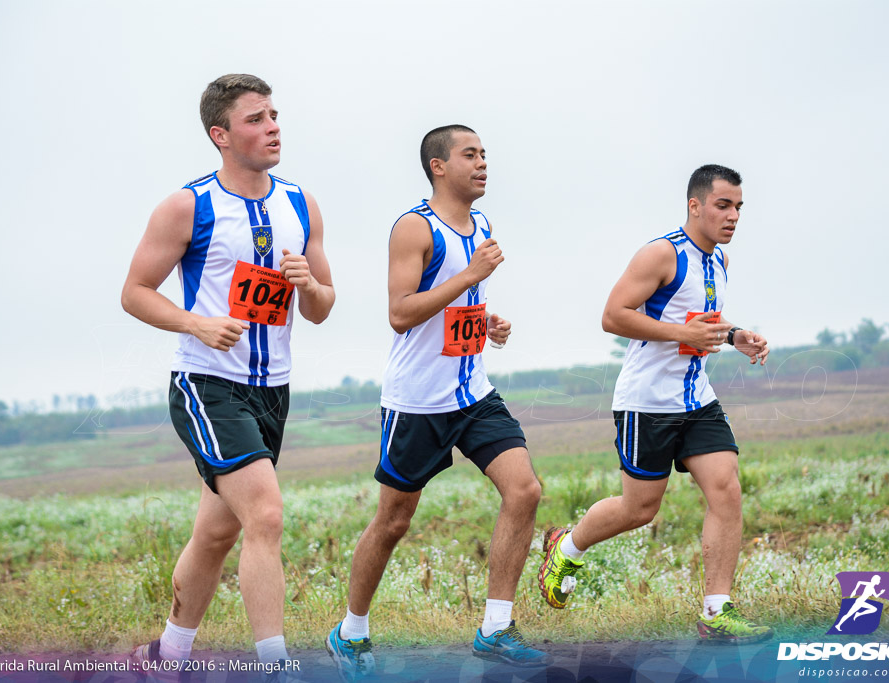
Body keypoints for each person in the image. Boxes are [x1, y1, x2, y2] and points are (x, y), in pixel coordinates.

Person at [121, 74, 334, 671]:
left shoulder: (300, 203)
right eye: (255, 119)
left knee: (217, 534)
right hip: (207, 385)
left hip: (273, 390)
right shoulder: (187, 205)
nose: (272, 127)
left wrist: (309, 284)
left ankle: (166, 655)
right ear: (220, 134)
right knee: (264, 514)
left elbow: (322, 308)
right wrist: (197, 324)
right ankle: (275, 663)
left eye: (273, 115)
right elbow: (135, 292)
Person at [325, 125, 551, 680]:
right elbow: (401, 312)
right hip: (418, 402)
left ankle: (495, 628)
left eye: (484, 155)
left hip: (472, 392)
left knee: (524, 490)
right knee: (394, 521)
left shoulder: (482, 225)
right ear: (438, 166)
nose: (482, 164)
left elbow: (456, 299)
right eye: (469, 155)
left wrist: (484, 318)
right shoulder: (413, 228)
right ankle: (349, 632)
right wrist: (472, 275)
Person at [537, 164, 772, 643]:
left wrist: (734, 334)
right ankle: (568, 545)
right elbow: (612, 315)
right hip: (647, 403)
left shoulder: (719, 261)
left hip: (696, 398)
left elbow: (701, 318)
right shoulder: (661, 254)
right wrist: (682, 333)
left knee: (726, 488)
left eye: (739, 208)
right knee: (639, 508)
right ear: (695, 205)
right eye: (723, 205)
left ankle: (717, 612)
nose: (733, 217)